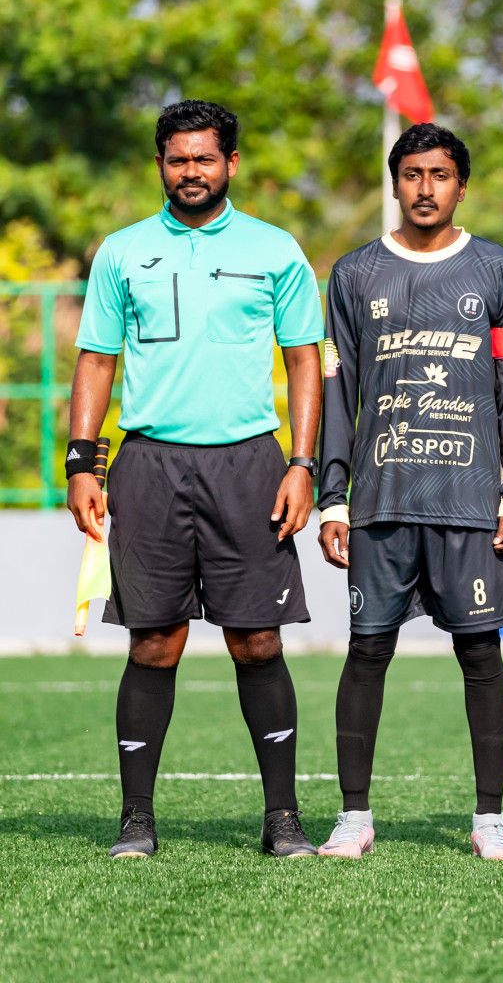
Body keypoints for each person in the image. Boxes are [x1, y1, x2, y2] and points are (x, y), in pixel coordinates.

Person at [66, 100, 323, 858]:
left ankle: (282, 818)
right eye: (177, 160)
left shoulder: (276, 250)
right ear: (160, 165)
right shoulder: (121, 251)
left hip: (249, 462)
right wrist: (84, 461)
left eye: (204, 159)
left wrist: (302, 465)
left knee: (256, 640)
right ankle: (136, 820)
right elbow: (96, 360)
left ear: (230, 165)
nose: (190, 173)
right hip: (148, 463)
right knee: (154, 643)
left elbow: (305, 358)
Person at [313, 123, 503, 861]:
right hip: (381, 497)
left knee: (481, 653)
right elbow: (337, 392)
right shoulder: (353, 275)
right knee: (366, 651)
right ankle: (353, 816)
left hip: (470, 499)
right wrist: (332, 495)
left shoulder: (499, 271)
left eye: (440, 174)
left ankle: (489, 819)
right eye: (412, 173)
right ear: (396, 181)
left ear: (461, 185)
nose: (425, 187)